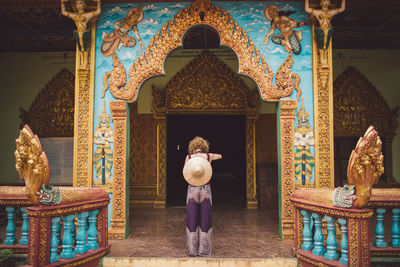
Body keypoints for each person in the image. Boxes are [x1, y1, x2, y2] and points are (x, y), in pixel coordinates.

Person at [183, 136, 222, 257]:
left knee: (192, 218)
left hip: (192, 190)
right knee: (205, 218)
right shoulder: (208, 156)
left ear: (192, 147)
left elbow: (185, 172)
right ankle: (204, 251)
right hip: (205, 190)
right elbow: (220, 156)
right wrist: (209, 154)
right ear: (204, 147)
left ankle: (192, 250)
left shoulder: (189, 157)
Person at [61, 0, 101, 66]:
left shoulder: (87, 15)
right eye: (77, 4)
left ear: (84, 5)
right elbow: (64, 12)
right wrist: (62, 3)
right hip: (78, 34)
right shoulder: (74, 16)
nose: (79, 5)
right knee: (80, 49)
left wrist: (98, 2)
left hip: (84, 34)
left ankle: (84, 63)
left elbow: (98, 11)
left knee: (85, 49)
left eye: (81, 3)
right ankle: (82, 63)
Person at [305, 0, 345, 64]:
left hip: (328, 30)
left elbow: (342, 9)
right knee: (321, 45)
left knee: (326, 44)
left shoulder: (331, 12)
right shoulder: (317, 12)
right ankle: (321, 58)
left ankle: (325, 58)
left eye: (327, 1)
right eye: (324, 1)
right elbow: (307, 9)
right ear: (321, 3)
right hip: (321, 30)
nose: (325, 3)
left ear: (329, 2)